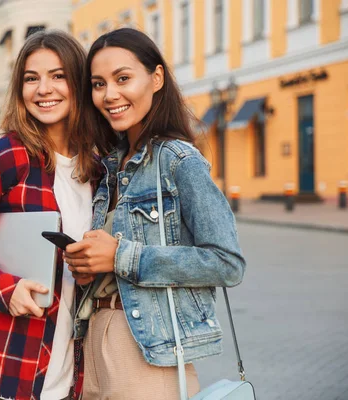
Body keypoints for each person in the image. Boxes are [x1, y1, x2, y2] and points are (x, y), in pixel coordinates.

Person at [64, 28, 246, 399]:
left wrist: (120, 256)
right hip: (93, 340)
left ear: (156, 78)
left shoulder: (178, 160)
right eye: (98, 84)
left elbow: (226, 262)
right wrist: (87, 264)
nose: (109, 94)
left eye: (123, 78)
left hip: (147, 353)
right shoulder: (110, 167)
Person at [0, 30, 113, 400]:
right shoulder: (2, 157)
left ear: (79, 83)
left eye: (58, 76)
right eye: (32, 78)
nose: (43, 89)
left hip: (63, 374)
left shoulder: (97, 171)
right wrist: (6, 288)